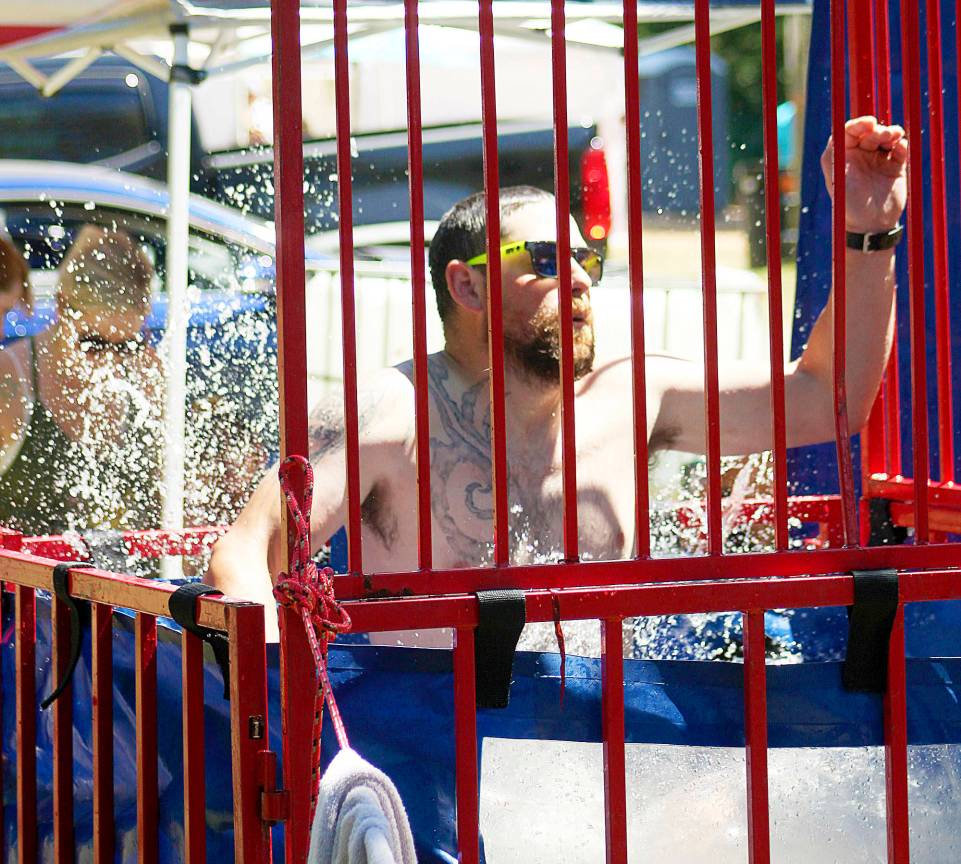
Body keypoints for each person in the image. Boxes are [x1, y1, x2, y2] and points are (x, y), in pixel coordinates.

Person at [206, 114, 907, 641]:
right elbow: (242, 557)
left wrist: (868, 234)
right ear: (467, 286)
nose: (575, 278)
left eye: (583, 260)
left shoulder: (633, 394)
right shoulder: (388, 412)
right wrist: (287, 705)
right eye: (542, 258)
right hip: (432, 773)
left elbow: (827, 400)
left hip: (595, 768)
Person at [0, 225, 163, 536]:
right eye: (94, 343)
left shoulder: (149, 379)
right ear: (61, 307)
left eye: (126, 345)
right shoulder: (11, 379)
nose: (110, 362)